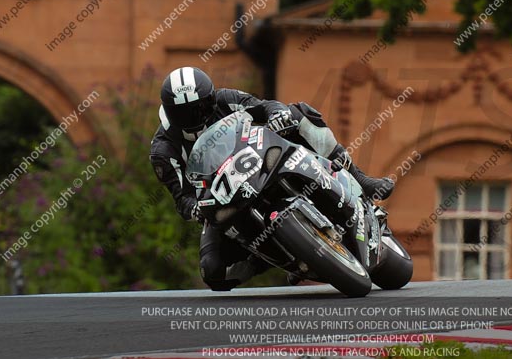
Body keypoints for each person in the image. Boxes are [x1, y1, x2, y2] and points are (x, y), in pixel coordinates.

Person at [150, 66, 394, 290]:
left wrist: (278, 113)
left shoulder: (226, 99)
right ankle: (283, 257)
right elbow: (182, 198)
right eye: (183, 113)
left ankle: (360, 178)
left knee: (299, 113)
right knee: (214, 272)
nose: (195, 117)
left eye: (201, 107)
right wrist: (195, 209)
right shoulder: (164, 150)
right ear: (170, 113)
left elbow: (264, 106)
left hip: (260, 160)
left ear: (211, 99)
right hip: (221, 197)